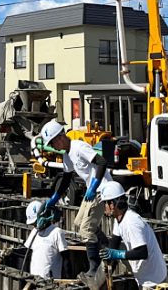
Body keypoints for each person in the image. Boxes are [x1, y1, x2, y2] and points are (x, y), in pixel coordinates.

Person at [35, 119, 112, 281]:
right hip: (92, 190)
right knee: (78, 223)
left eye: (53, 142)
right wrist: (53, 199)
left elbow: (102, 162)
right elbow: (66, 178)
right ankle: (105, 244)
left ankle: (94, 267)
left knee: (86, 230)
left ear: (60, 137)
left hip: (102, 189)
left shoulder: (78, 147)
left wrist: (93, 186)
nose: (54, 147)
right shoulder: (67, 155)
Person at [99, 181, 167, 289]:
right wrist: (107, 270)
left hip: (154, 281)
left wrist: (117, 254)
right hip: (143, 277)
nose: (104, 207)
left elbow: (142, 252)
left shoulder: (132, 222)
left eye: (105, 203)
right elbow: (114, 245)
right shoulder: (119, 219)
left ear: (112, 204)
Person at [23, 200, 69, 279]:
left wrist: (68, 278)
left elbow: (66, 259)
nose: (34, 226)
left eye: (35, 223)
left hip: (51, 281)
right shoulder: (34, 232)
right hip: (34, 279)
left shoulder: (56, 232)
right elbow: (27, 255)